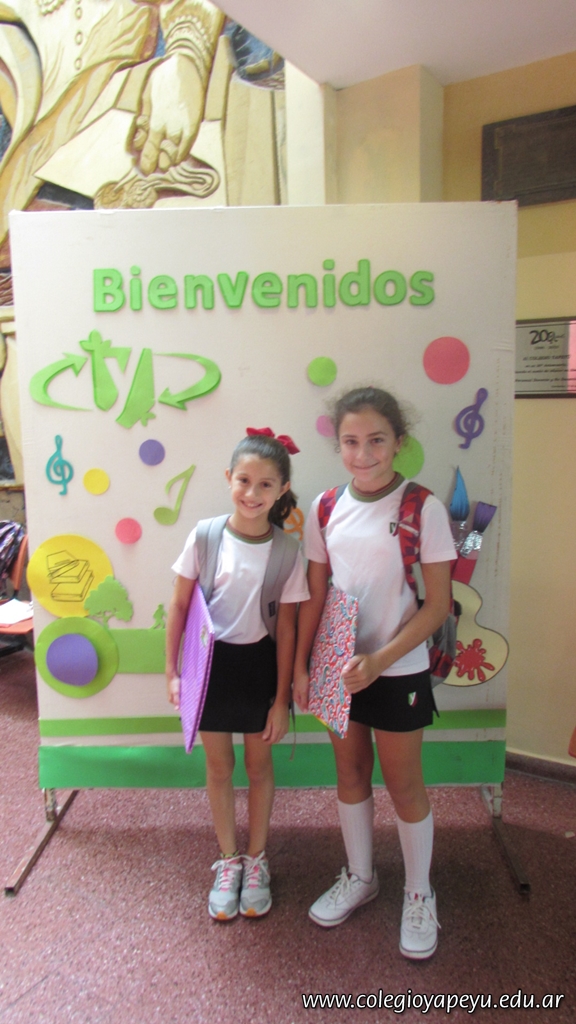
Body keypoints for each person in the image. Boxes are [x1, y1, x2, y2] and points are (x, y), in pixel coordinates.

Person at [293, 387, 455, 959]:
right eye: (351, 442)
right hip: (338, 666)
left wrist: (381, 660)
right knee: (351, 771)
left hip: (399, 667)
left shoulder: (422, 508)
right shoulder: (324, 507)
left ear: (399, 443)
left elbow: (438, 605)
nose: (363, 454)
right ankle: (361, 876)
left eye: (377, 440)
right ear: (338, 445)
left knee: (403, 782)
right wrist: (304, 667)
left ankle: (419, 893)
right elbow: (315, 593)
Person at [166, 430, 309, 921]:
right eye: (244, 480)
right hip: (210, 668)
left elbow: (287, 628)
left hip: (261, 669)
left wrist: (281, 700)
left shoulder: (287, 551)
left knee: (259, 766)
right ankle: (229, 860)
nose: (252, 493)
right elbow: (179, 606)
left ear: (282, 488)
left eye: (266, 484)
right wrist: (172, 672)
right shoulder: (205, 536)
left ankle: (257, 858)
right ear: (229, 478)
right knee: (219, 766)